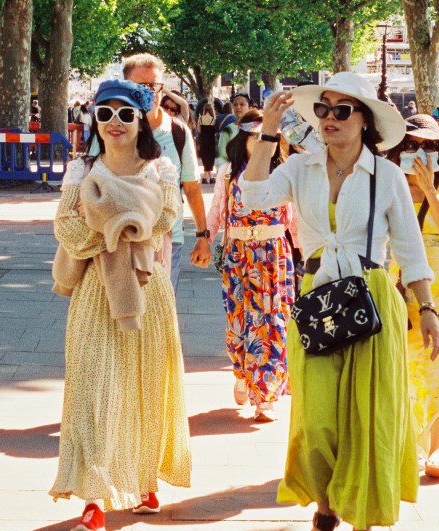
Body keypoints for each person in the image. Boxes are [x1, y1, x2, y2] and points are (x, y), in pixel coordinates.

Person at [240, 72, 439, 531]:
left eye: (341, 111)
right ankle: (326, 503)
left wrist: (428, 308)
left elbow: (411, 250)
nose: (329, 119)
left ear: (365, 121)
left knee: (369, 422)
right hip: (316, 303)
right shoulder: (300, 168)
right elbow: (253, 198)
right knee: (318, 423)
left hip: (372, 301)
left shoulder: (387, 176)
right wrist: (266, 133)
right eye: (323, 110)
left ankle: (362, 529)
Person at [50, 79, 190, 531]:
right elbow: (66, 226)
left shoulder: (161, 167)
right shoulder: (79, 169)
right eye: (104, 113)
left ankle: (144, 478)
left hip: (149, 289)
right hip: (94, 288)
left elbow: (166, 219)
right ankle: (94, 500)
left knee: (147, 383)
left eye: (125, 114)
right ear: (93, 118)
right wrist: (118, 228)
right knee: (93, 385)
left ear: (142, 119)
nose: (114, 122)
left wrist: (107, 218)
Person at [89, 54, 211, 288]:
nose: (150, 93)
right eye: (140, 86)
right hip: (115, 237)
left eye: (155, 86)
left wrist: (202, 236)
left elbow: (192, 187)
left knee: (160, 315)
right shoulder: (111, 127)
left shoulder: (177, 131)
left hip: (167, 239)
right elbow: (89, 177)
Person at [387, 115, 439, 478]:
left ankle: (437, 450)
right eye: (413, 145)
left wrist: (430, 189)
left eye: (428, 146)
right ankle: (405, 446)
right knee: (400, 367)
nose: (420, 152)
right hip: (399, 284)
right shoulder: (388, 185)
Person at [206, 110, 294, 423]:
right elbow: (217, 212)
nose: (260, 143)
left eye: (267, 137)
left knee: (271, 324)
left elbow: (293, 222)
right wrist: (204, 239)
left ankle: (265, 397)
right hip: (238, 255)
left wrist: (312, 254)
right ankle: (243, 374)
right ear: (243, 138)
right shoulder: (229, 173)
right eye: (255, 136)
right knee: (238, 321)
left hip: (273, 257)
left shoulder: (284, 173)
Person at [197, 101, 218, 183]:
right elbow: (215, 131)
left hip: (203, 141)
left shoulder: (200, 119)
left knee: (205, 159)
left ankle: (208, 177)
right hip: (211, 142)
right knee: (210, 160)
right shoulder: (213, 120)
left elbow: (199, 130)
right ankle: (206, 177)